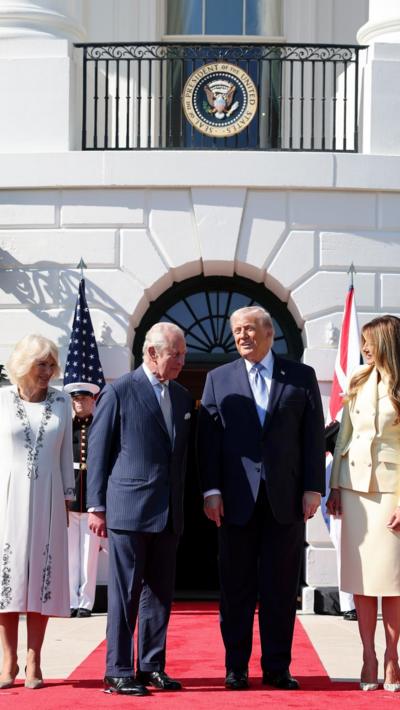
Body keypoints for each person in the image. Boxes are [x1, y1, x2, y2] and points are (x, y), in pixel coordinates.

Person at [197, 306, 325, 691]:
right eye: (236, 331)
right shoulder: (218, 379)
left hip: (285, 500)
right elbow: (208, 441)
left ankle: (277, 668)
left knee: (280, 590)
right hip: (234, 501)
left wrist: (313, 487)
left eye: (249, 329)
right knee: (236, 589)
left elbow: (313, 435)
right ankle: (236, 668)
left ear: (269, 334)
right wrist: (211, 490)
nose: (241, 336)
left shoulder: (300, 377)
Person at [87, 322, 191, 696]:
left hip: (168, 512)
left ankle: (150, 665)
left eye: (183, 353)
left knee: (160, 594)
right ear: (151, 353)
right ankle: (117, 669)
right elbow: (99, 452)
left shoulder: (180, 396)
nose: (182, 360)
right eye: (175, 354)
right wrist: (96, 506)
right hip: (128, 510)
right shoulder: (119, 391)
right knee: (125, 592)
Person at [327, 315, 400, 692]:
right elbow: (344, 438)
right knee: (361, 580)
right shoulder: (357, 380)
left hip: (392, 491)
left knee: (391, 580)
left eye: (369, 341)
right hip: (354, 490)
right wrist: (335, 487)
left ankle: (392, 656)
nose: (364, 347)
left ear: (387, 341)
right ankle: (368, 655)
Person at [0, 334, 74, 690]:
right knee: (8, 579)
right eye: (40, 364)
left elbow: (64, 457)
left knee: (41, 579)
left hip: (48, 497)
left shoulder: (62, 402)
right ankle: (8, 661)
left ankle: (34, 660)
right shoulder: (0, 400)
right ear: (23, 364)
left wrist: (67, 502)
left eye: (51, 364)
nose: (47, 371)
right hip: (6, 498)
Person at [64, 383, 100, 618]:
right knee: (70, 553)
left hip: (91, 498)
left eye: (84, 400)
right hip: (70, 497)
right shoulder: (66, 428)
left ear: (93, 401)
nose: (79, 404)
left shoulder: (99, 427)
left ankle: (85, 602)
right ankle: (70, 600)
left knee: (89, 554)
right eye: (76, 400)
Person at [325, 420, 357, 621]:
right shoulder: (343, 417)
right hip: (344, 487)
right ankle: (349, 604)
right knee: (344, 548)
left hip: (375, 490)